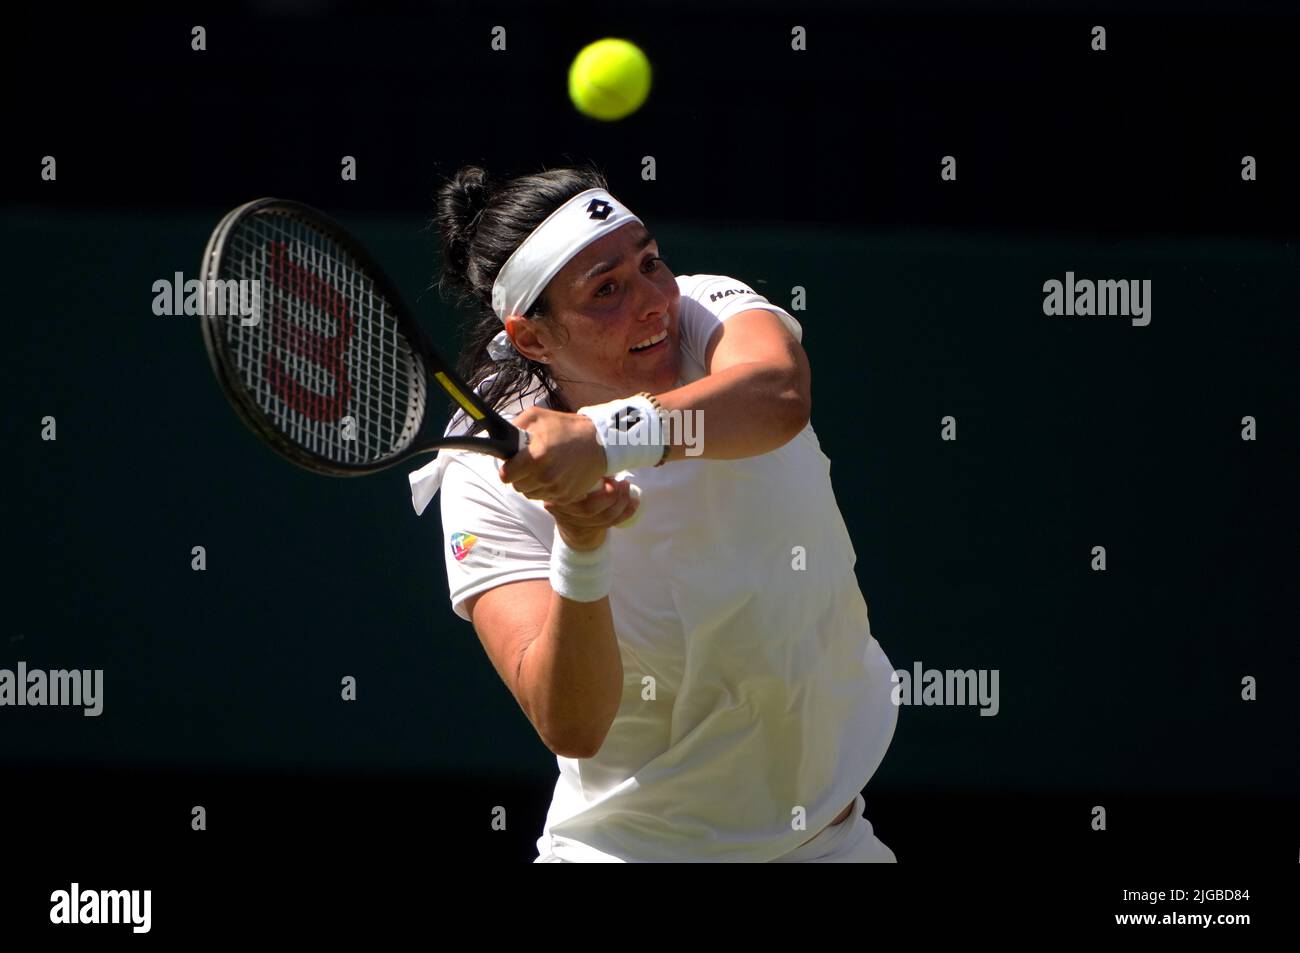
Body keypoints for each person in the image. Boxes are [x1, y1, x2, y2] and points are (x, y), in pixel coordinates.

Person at [408, 163, 899, 862]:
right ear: (532, 339)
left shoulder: (705, 310)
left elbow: (780, 396)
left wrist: (605, 439)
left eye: (650, 263)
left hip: (832, 842)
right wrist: (580, 543)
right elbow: (570, 723)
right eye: (606, 290)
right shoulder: (482, 472)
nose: (653, 302)